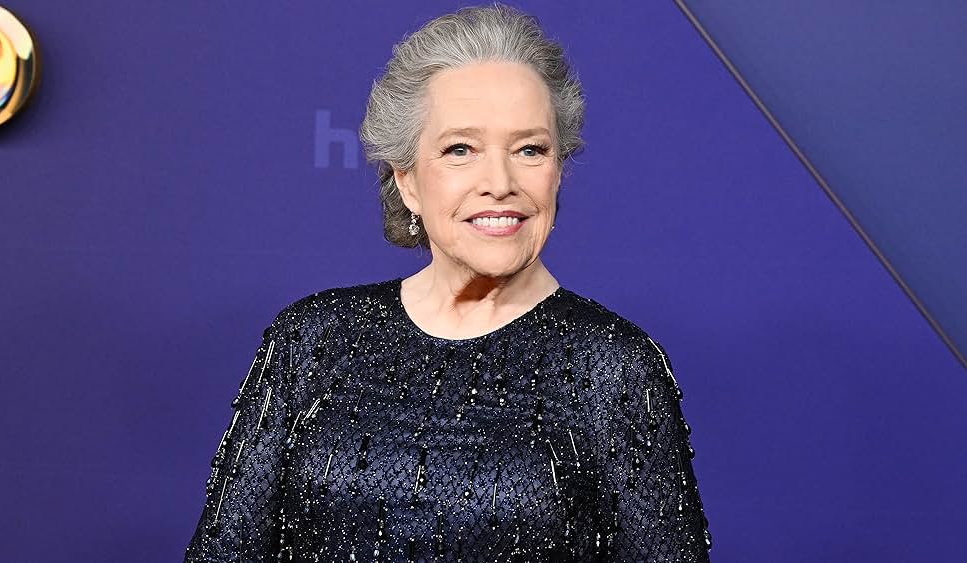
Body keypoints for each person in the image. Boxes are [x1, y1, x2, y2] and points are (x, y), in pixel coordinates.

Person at [184, 4, 712, 561]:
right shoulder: (313, 339)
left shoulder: (614, 367)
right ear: (407, 181)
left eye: (529, 150)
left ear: (558, 171)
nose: (500, 182)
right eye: (461, 149)